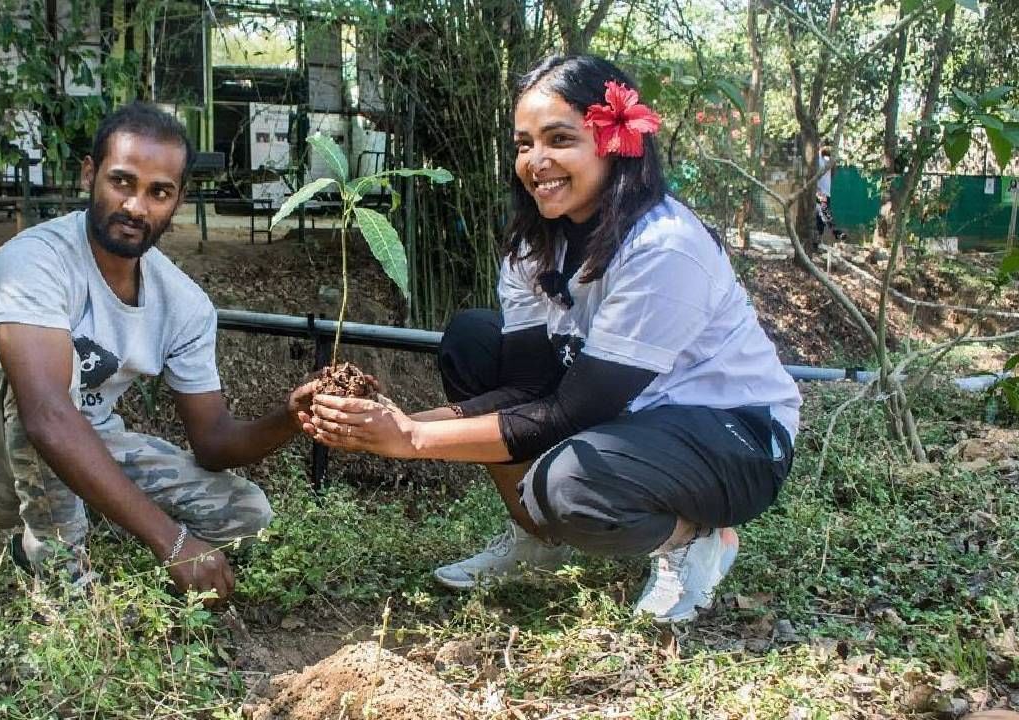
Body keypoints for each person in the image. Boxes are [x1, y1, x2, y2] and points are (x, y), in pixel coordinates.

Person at [300, 55, 801, 624]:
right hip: (629, 416)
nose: (536, 162)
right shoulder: (534, 245)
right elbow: (529, 388)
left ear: (615, 142)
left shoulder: (662, 247)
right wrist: (391, 418)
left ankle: (695, 540)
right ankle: (536, 539)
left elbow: (567, 412)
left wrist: (413, 438)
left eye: (559, 139)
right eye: (522, 145)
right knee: (474, 340)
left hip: (734, 436)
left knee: (570, 482)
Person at [0, 102, 315, 603]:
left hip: (81, 442)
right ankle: (66, 588)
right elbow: (45, 416)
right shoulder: (34, 261)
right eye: (122, 182)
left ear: (178, 200)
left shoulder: (183, 303)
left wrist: (293, 417)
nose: (136, 207)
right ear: (90, 175)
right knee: (39, 392)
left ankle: (46, 539)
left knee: (246, 514)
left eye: (158, 192)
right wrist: (173, 542)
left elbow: (212, 442)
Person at [816, 145, 847, 241]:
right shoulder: (823, 159)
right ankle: (835, 232)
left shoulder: (825, 159)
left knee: (823, 215)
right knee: (822, 215)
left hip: (822, 192)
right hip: (821, 192)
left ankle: (835, 232)